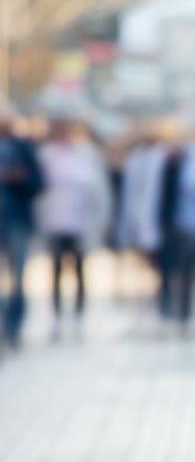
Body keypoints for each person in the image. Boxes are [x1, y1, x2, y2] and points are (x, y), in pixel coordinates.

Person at [36, 117, 111, 338]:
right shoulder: (47, 155)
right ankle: (57, 315)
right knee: (56, 270)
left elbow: (98, 188)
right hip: (54, 220)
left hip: (80, 221)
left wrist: (100, 219)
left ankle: (79, 314)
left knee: (79, 270)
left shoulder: (86, 155)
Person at [0, 109, 44, 349]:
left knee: (17, 277)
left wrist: (20, 178)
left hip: (17, 220)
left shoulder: (23, 148)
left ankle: (14, 324)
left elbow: (38, 183)